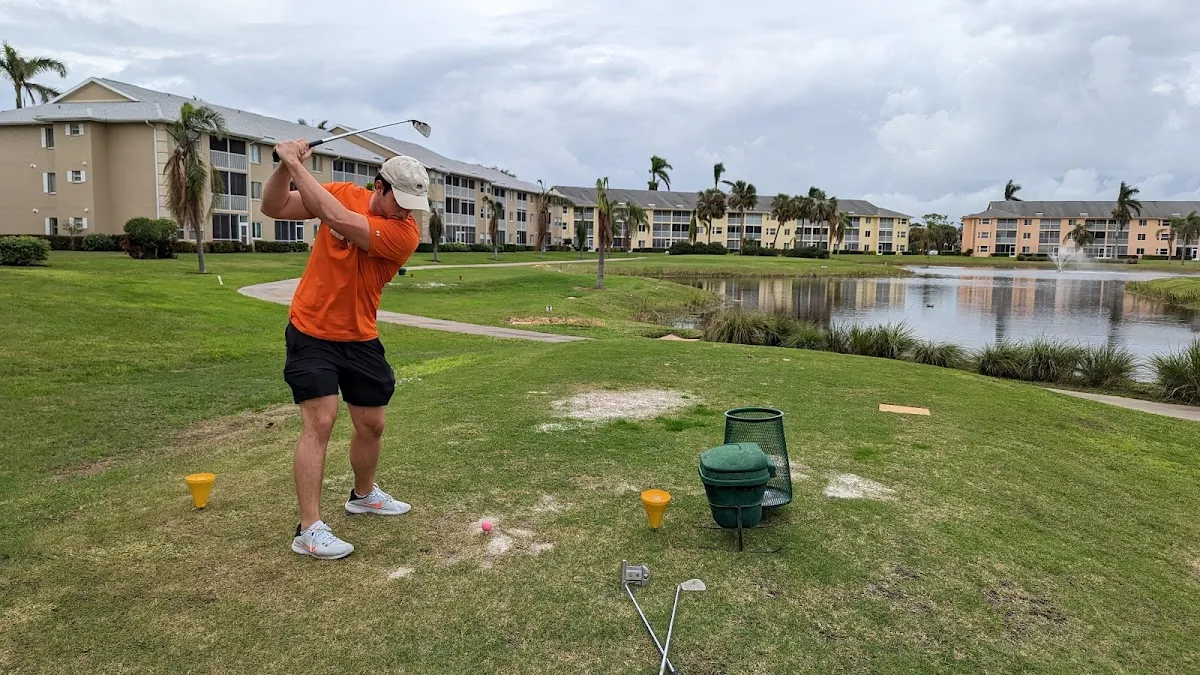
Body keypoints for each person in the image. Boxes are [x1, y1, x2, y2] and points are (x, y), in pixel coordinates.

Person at [262, 139, 428, 560]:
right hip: (311, 327)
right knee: (320, 420)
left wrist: (295, 163)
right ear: (380, 186)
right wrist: (285, 168)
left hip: (360, 336)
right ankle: (309, 528)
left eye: (414, 204)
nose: (407, 211)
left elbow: (335, 218)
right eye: (401, 201)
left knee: (372, 424)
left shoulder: (404, 233)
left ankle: (363, 494)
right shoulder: (339, 192)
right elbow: (274, 207)